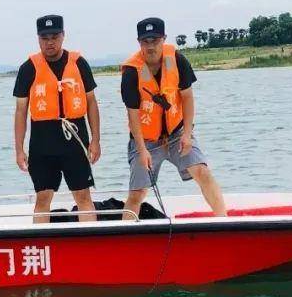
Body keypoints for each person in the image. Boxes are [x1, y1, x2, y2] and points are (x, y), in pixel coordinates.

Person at [121, 17, 227, 220]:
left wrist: (187, 134)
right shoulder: (131, 72)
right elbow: (132, 115)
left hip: (177, 133)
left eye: (155, 40)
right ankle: (124, 232)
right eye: (145, 41)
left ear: (164, 39)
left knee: (202, 172)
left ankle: (223, 221)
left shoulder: (178, 60)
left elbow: (187, 98)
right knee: (137, 193)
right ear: (139, 42)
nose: (150, 46)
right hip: (146, 139)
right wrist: (142, 150)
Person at [13, 14, 101, 223]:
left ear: (63, 36)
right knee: (43, 197)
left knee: (83, 195)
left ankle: (90, 239)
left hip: (75, 136)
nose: (50, 42)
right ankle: (40, 240)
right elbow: (21, 111)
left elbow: (91, 103)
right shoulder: (28, 68)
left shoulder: (79, 63)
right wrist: (19, 149)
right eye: (44, 38)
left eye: (54, 37)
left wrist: (96, 140)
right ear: (38, 39)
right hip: (42, 140)